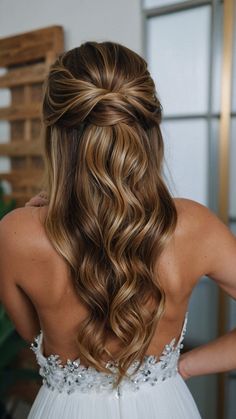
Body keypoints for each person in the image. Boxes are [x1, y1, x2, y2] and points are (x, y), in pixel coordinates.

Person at [0, 41, 235, 419]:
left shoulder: (14, 235)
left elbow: (33, 335)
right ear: (150, 129)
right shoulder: (195, 227)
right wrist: (187, 365)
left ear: (55, 134)